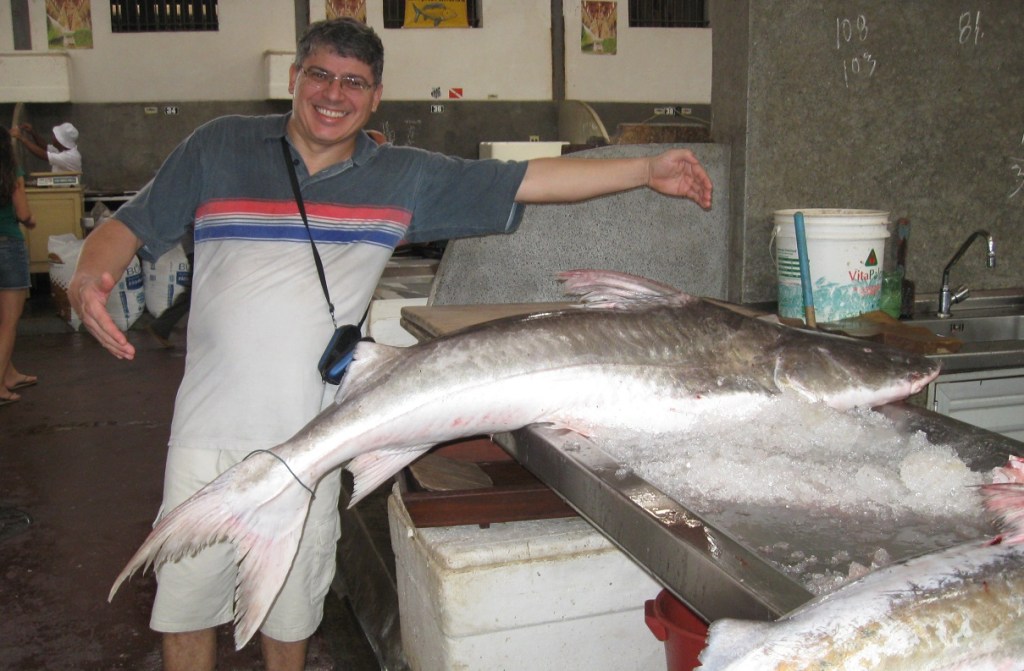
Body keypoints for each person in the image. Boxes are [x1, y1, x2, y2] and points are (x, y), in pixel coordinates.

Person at [67, 18, 712, 671]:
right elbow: (129, 225)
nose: (333, 94)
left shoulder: (403, 177)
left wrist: (645, 170)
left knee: (290, 611)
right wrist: (91, 275)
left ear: (376, 97)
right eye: (320, 74)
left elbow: (526, 180)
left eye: (354, 82)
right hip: (206, 431)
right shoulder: (219, 147)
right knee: (186, 609)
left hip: (317, 435)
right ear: (294, 78)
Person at [0, 127, 38, 407]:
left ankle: (9, 374)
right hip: (7, 246)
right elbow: (24, 213)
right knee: (9, 323)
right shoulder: (12, 172)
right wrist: (31, 222)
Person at [11, 121, 82, 173]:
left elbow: (44, 155)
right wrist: (32, 132)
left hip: (68, 189)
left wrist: (21, 137)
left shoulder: (71, 156)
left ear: (60, 140)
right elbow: (45, 146)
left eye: (55, 136)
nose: (52, 137)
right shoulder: (61, 149)